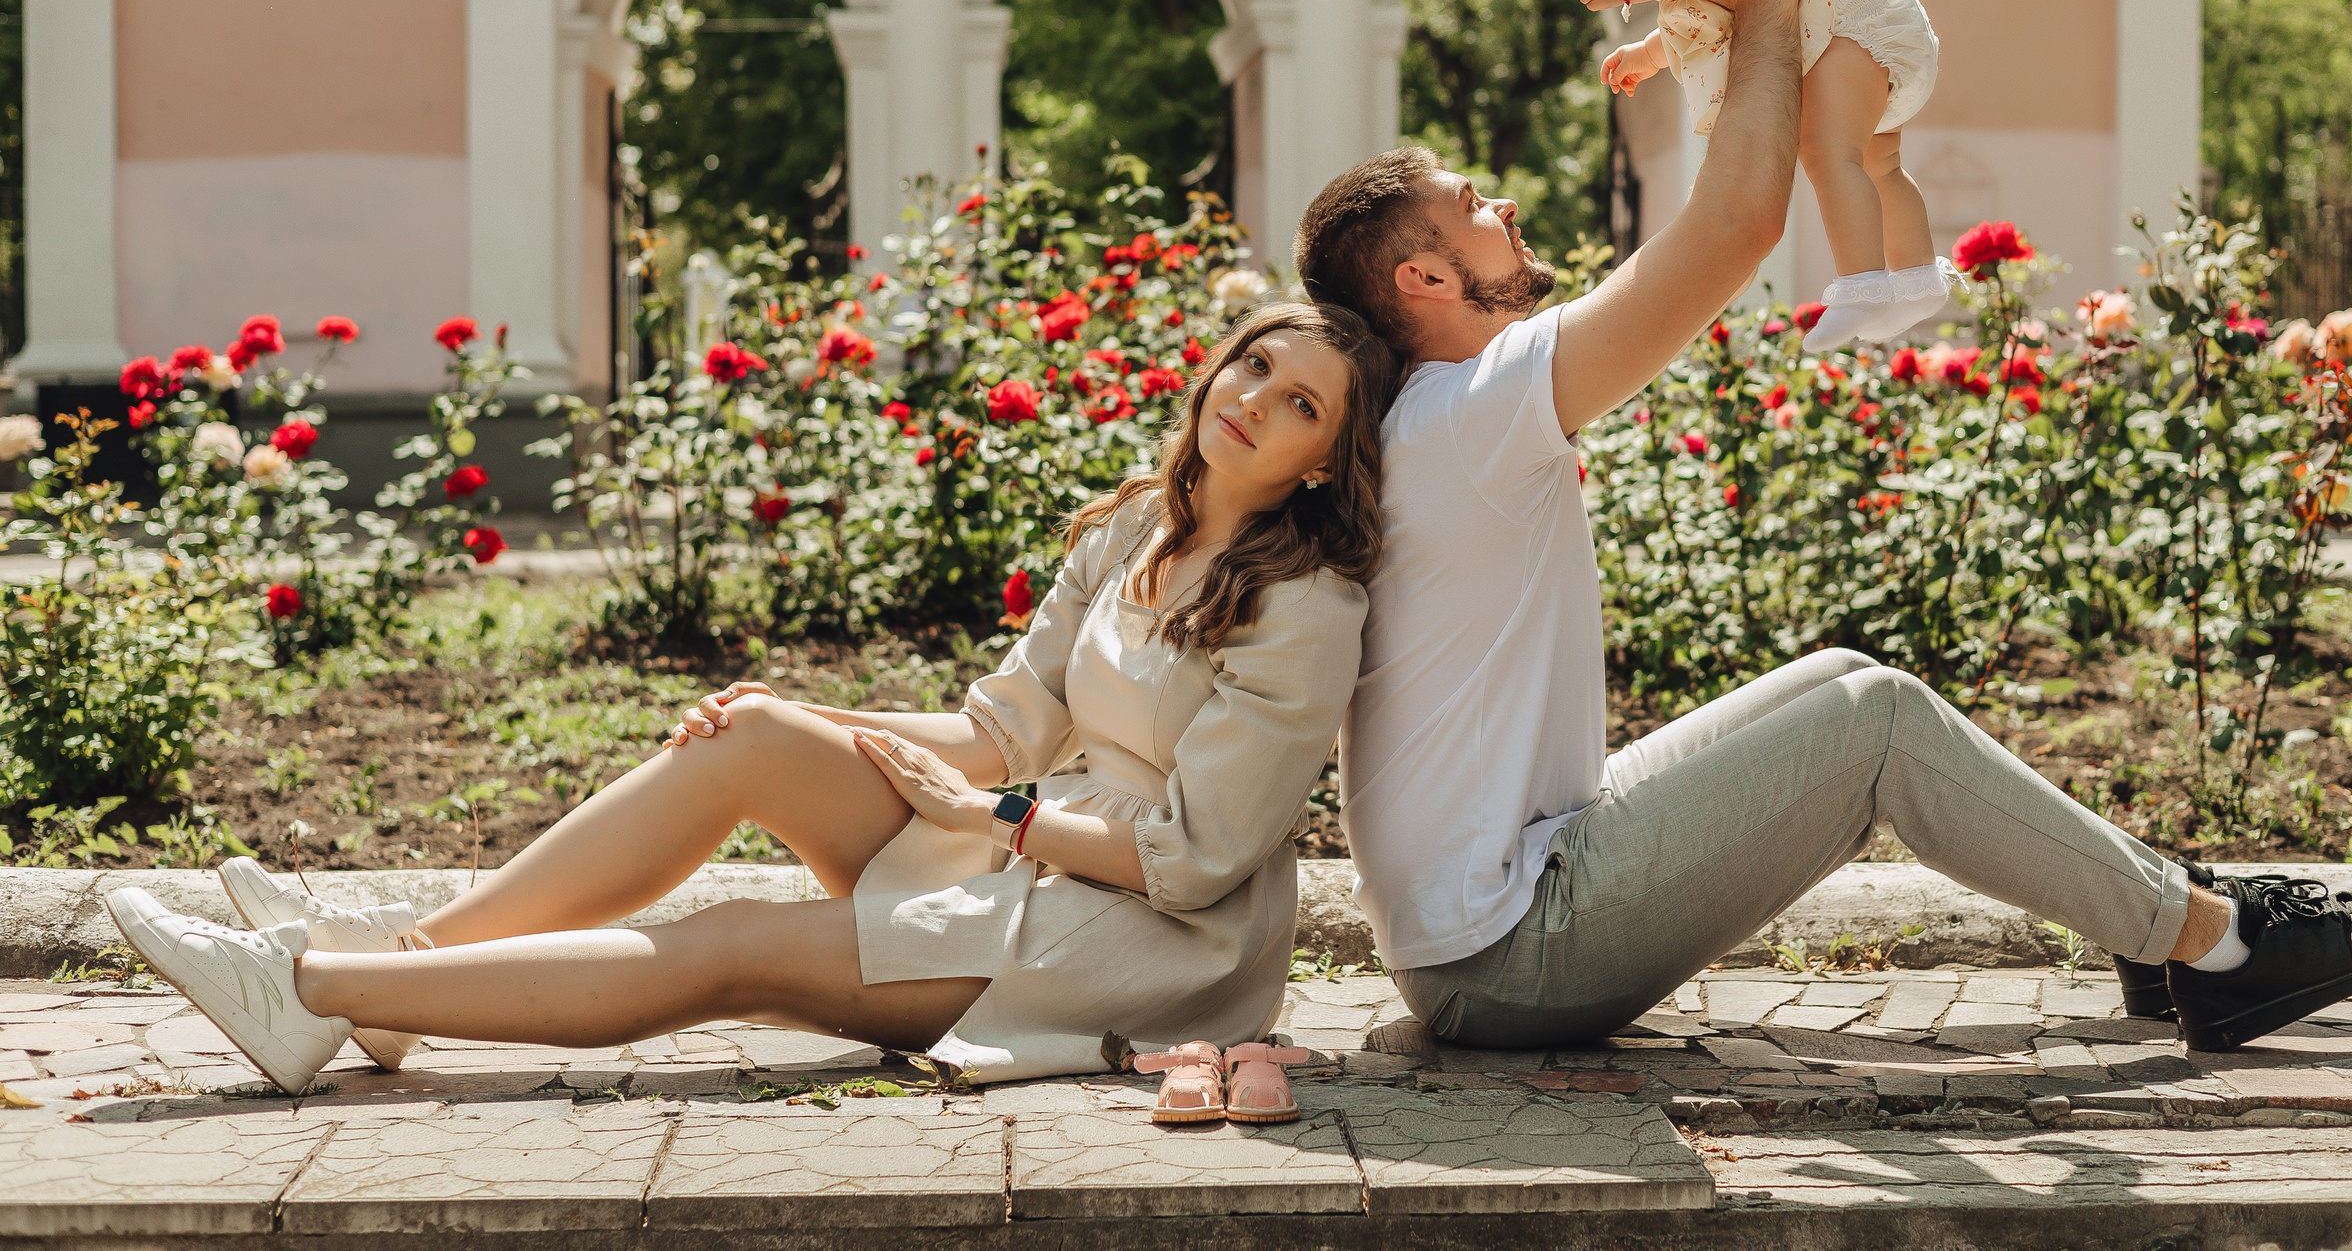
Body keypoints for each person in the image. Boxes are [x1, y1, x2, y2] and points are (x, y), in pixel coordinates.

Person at [1292, 0, 2352, 1057]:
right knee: (1874, 723)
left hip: (1497, 920)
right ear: (1423, 281)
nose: (1507, 206)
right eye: (1475, 204)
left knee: (1839, 674)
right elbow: (1733, 231)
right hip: (1512, 952)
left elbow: (1724, 220)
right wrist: (1776, 4)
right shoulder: (1462, 406)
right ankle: (2225, 950)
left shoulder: (1439, 411)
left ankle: (2160, 923)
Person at [107, 303, 1400, 1095]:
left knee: (730, 942)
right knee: (755, 737)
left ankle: (317, 985)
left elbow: (1194, 857)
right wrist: (815, 714)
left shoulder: (1307, 608)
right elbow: (1002, 725)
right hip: (1027, 826)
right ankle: (405, 971)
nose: (1251, 401)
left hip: (1139, 943)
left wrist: (995, 813)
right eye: (1253, 365)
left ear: (1322, 457)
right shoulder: (1134, 528)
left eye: (1298, 403)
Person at [1519, 0, 1947, 351]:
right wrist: (1647, 56)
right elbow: (1703, 21)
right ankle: (1919, 281)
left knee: (1825, 153)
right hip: (1857, 35)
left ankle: (1862, 287)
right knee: (1880, 165)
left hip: (1849, 28)